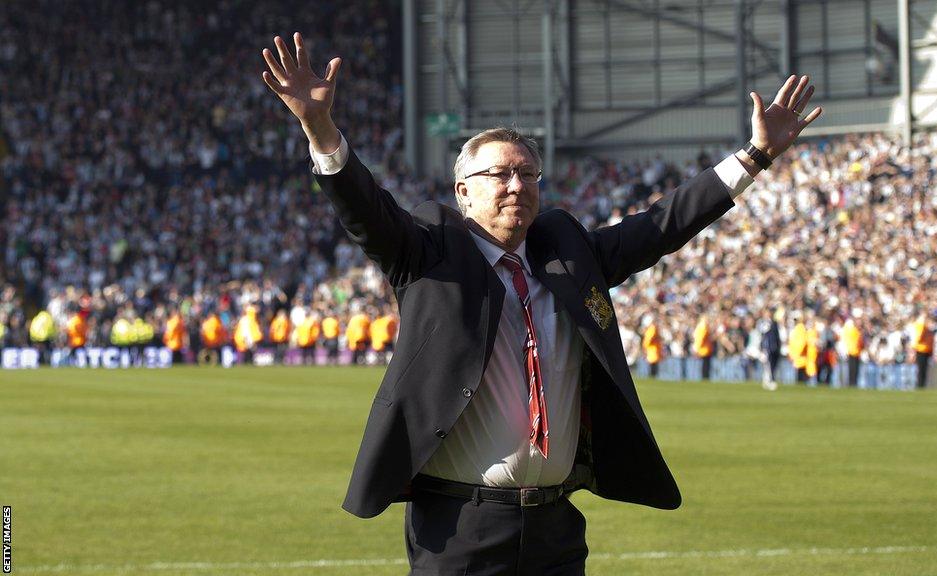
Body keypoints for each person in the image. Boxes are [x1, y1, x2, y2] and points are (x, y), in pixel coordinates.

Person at [262, 32, 821, 575]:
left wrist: (754, 156)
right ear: (463, 192)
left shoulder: (567, 256)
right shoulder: (428, 252)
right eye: (499, 173)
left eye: (528, 173)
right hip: (459, 527)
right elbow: (365, 209)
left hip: (555, 527)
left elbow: (661, 225)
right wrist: (320, 127)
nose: (516, 184)